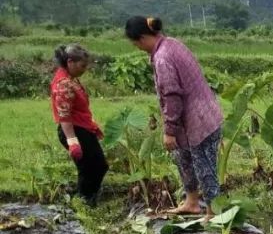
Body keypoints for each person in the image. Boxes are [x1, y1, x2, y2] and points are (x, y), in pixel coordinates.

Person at [125, 16, 223, 216]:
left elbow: (172, 96)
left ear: (143, 38)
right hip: (193, 118)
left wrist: (169, 131)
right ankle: (192, 202)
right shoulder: (171, 43)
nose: (137, 47)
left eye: (135, 43)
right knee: (183, 158)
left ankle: (214, 213)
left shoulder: (162, 57)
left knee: (205, 168)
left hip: (200, 120)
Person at [51, 44, 107, 205]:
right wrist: (72, 140)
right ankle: (85, 203)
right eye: (82, 65)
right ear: (70, 62)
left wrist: (92, 124)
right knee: (90, 168)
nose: (85, 69)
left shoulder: (70, 78)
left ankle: (87, 201)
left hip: (82, 128)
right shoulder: (64, 84)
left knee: (96, 166)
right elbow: (65, 115)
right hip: (74, 130)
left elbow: (77, 109)